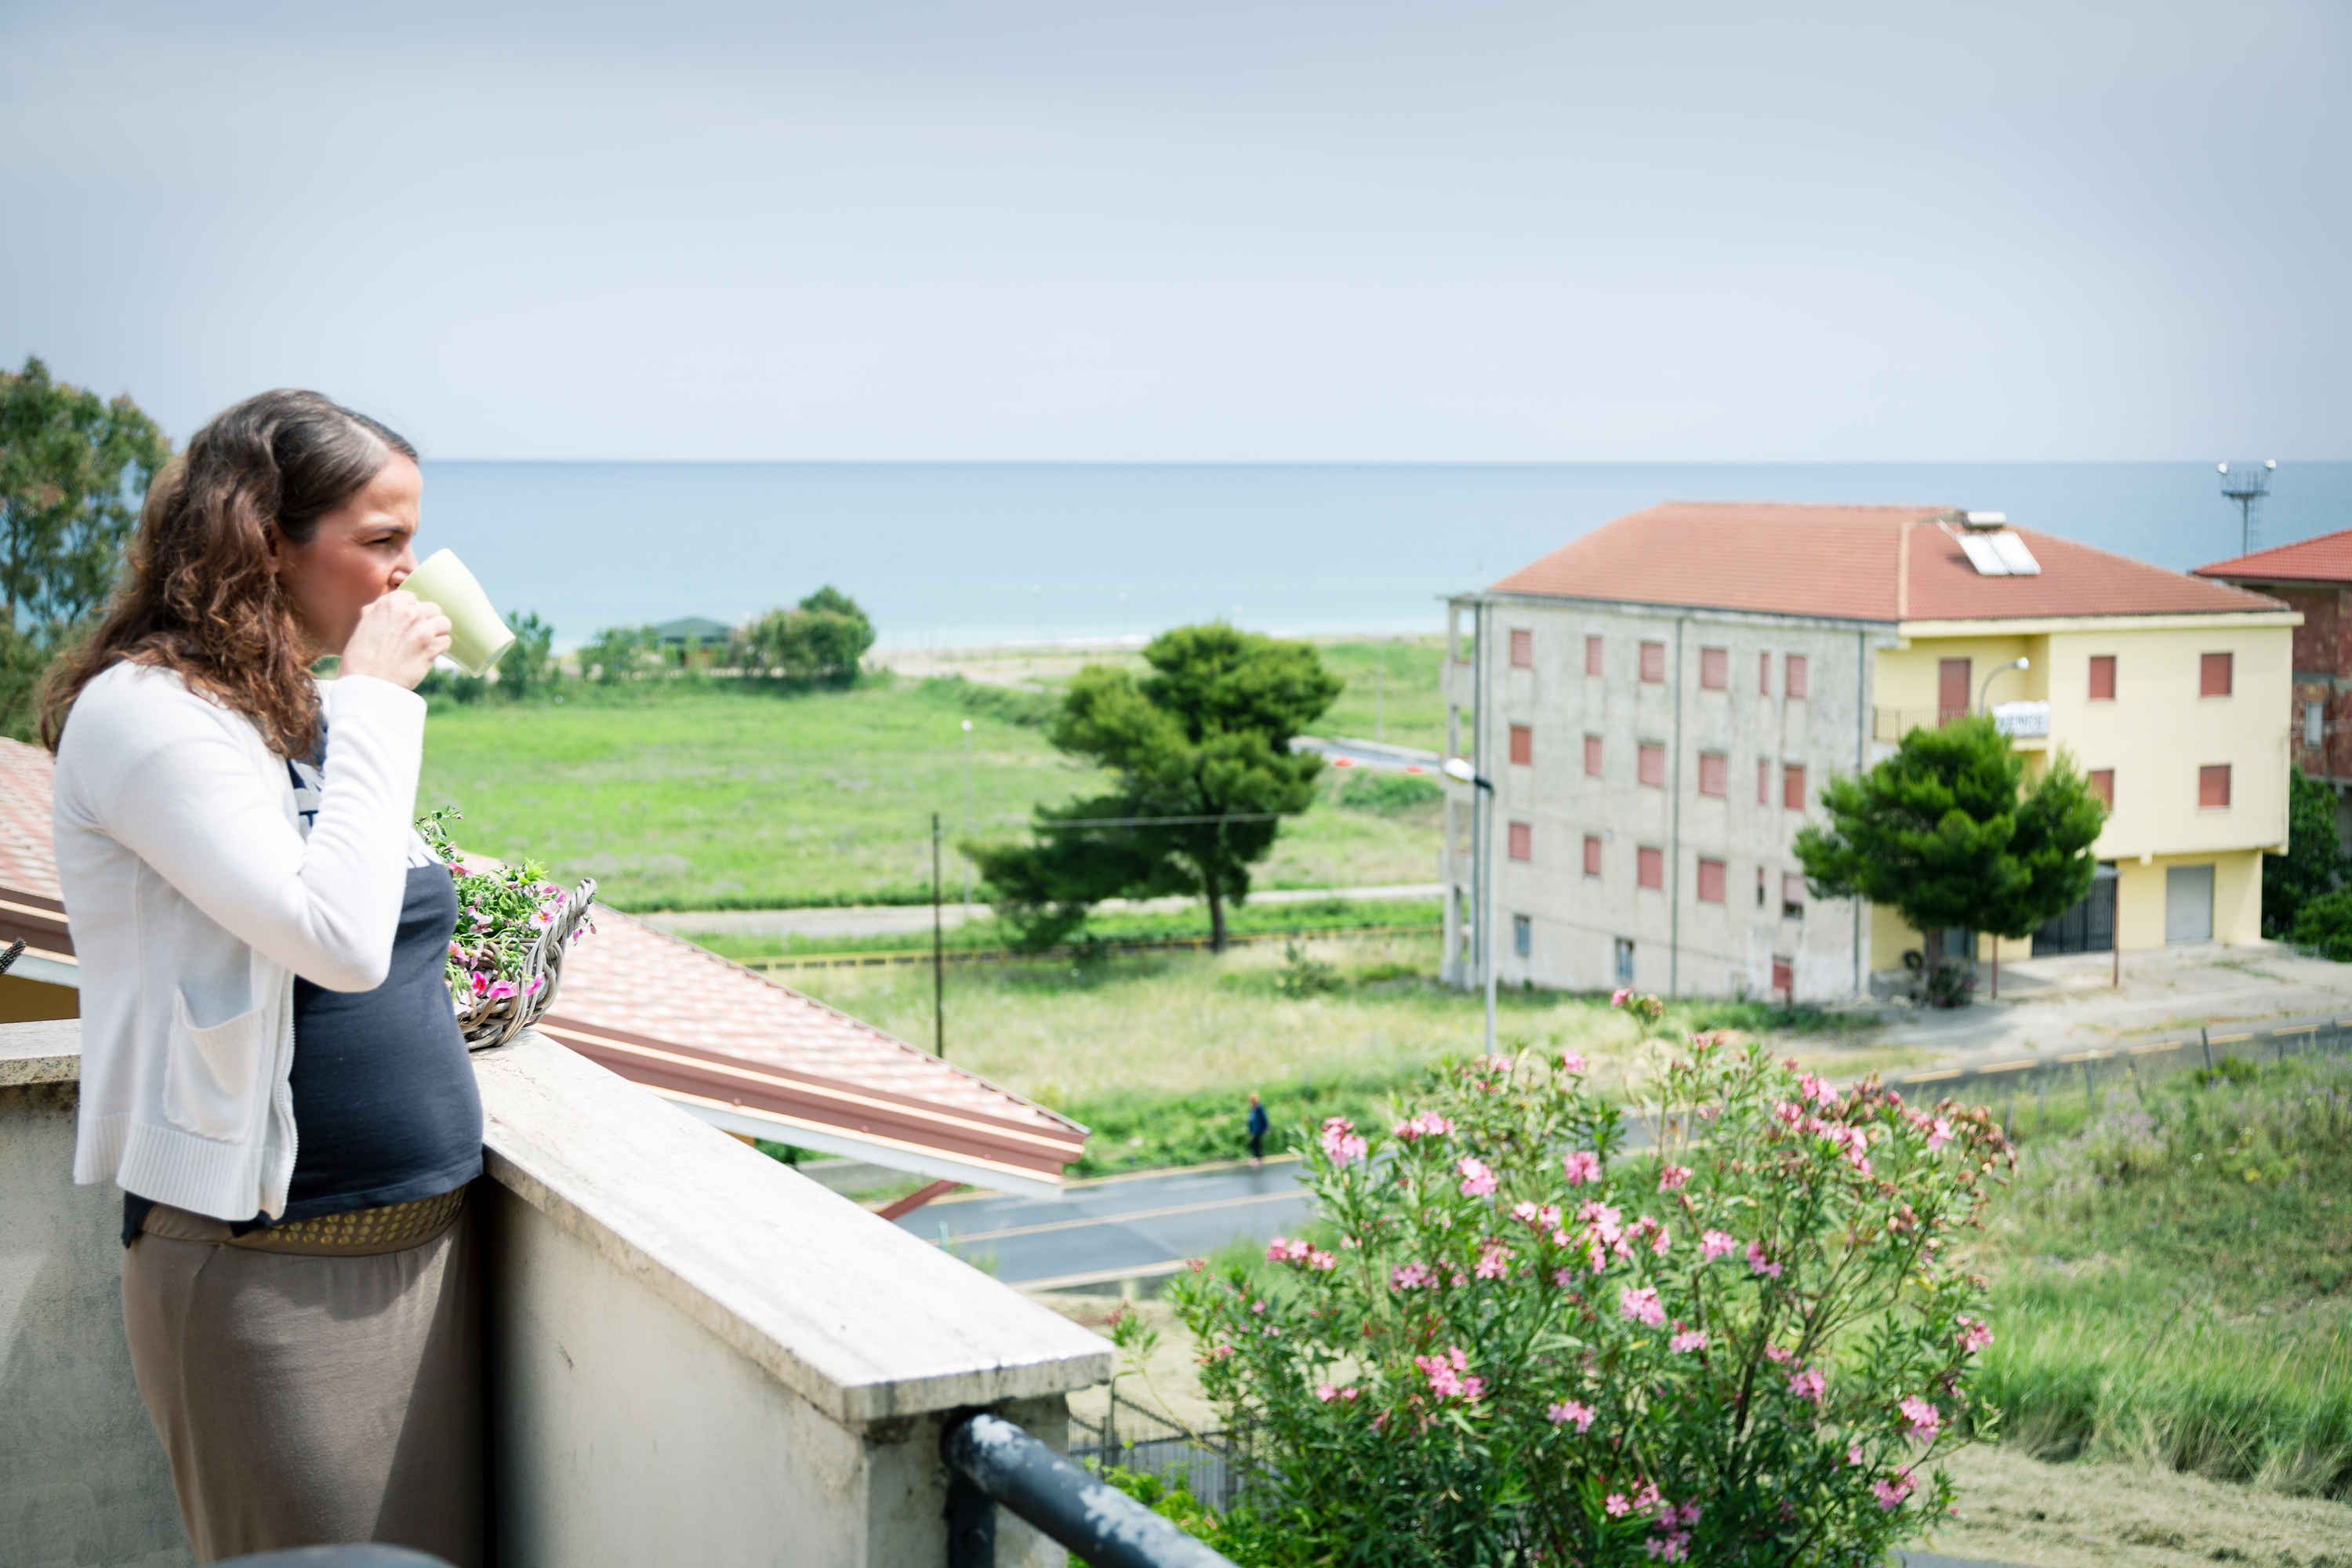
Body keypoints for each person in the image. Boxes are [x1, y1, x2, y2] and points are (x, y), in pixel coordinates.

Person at [44, 390, 477, 1566]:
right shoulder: (147, 716)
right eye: (382, 540)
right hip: (269, 1271)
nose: (410, 574)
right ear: (268, 542)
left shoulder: (295, 712)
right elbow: (336, 938)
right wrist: (379, 699)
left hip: (421, 1249)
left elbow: (383, 905)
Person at [1247, 1091, 1270, 1167]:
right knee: (1254, 1143)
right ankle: (1258, 1157)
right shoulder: (1253, 1107)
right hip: (1254, 1129)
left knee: (1256, 1142)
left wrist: (1266, 1127)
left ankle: (1258, 1157)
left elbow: (1264, 1117)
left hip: (1258, 1128)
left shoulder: (1259, 1106)